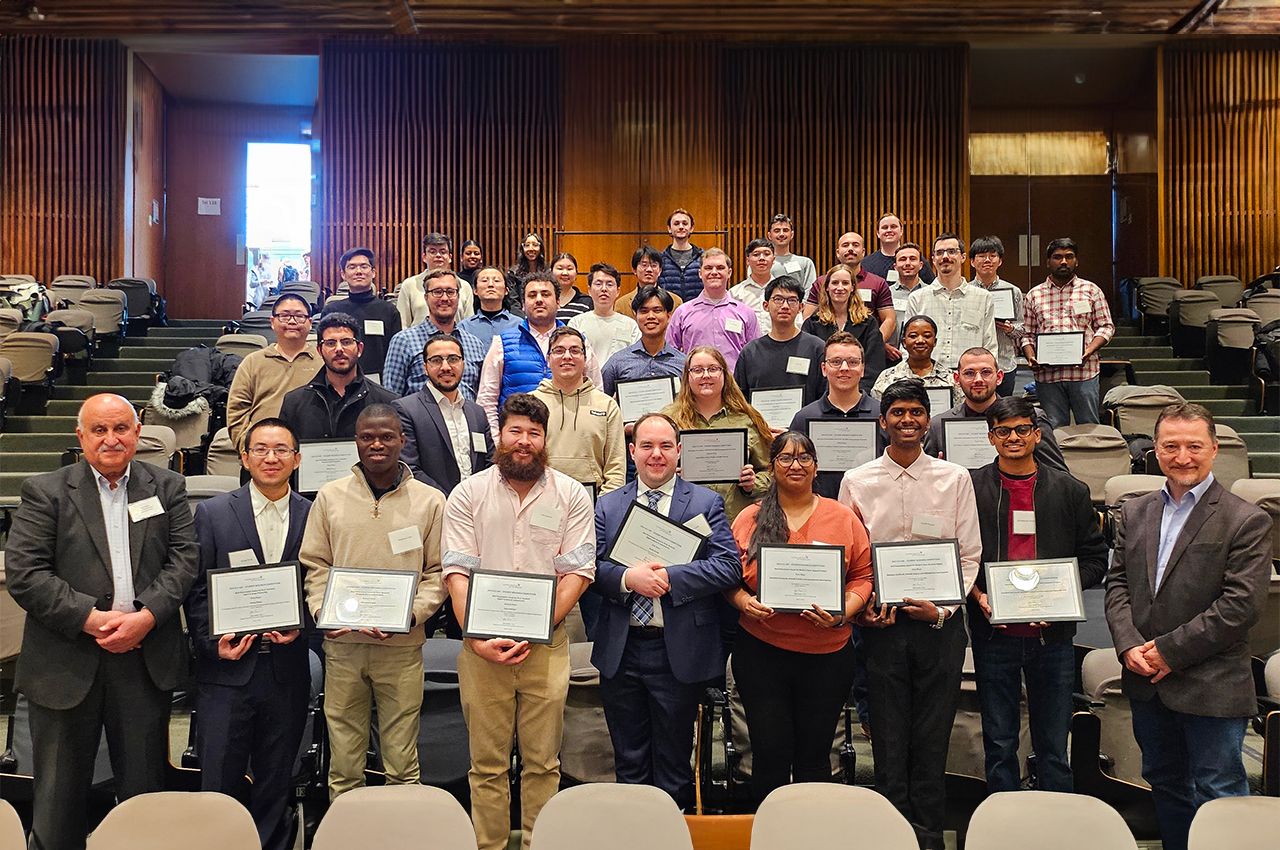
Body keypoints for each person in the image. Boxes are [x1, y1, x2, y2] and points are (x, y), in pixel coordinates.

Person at [5, 393, 199, 850]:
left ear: (137, 433)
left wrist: (146, 616)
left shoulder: (167, 487)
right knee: (58, 798)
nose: (111, 439)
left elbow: (184, 561)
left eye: (121, 429)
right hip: (65, 666)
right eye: (99, 430)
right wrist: (92, 620)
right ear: (81, 436)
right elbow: (26, 574)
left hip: (142, 660)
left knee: (143, 793)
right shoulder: (46, 490)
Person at [1104, 402, 1272, 850]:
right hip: (1146, 681)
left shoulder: (1246, 519)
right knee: (1165, 784)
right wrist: (1127, 647)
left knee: (1218, 793)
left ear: (1215, 449)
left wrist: (1166, 652)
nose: (1182, 457)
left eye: (1194, 446)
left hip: (1211, 684)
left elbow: (1241, 606)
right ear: (1154, 451)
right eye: (1170, 446)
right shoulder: (1135, 512)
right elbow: (1117, 584)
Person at [442, 393, 596, 850]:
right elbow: (456, 571)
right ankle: (488, 845)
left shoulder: (570, 494)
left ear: (545, 439)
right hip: (480, 650)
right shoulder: (468, 493)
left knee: (543, 763)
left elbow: (578, 572)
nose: (524, 442)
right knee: (485, 765)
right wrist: (477, 637)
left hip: (546, 648)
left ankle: (537, 843)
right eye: (516, 432)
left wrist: (537, 627)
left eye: (533, 433)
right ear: (500, 435)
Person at [838, 378, 981, 850]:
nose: (906, 420)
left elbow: (968, 556)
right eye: (897, 412)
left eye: (915, 413)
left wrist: (939, 609)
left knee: (932, 732)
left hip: (939, 626)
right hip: (881, 625)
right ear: (883, 422)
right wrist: (863, 611)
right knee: (887, 732)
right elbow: (849, 558)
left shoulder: (955, 477)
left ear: (927, 421)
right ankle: (891, 834)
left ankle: (928, 836)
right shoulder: (857, 481)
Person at [590, 412, 740, 807]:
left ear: (679, 452)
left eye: (665, 446)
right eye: (647, 446)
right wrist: (627, 580)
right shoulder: (607, 506)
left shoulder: (705, 503)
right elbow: (592, 568)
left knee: (674, 763)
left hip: (678, 651)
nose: (656, 455)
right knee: (629, 761)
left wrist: (671, 578)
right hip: (622, 653)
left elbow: (727, 566)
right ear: (631, 451)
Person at [301, 404, 446, 799]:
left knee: (401, 761)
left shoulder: (430, 501)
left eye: (386, 436)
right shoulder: (330, 497)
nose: (376, 444)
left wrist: (410, 615)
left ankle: (402, 835)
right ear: (356, 442)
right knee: (344, 762)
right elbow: (315, 564)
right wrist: (322, 611)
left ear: (403, 440)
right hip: (342, 645)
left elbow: (437, 573)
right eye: (367, 437)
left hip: (400, 647)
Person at [183, 417, 312, 850]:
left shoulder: (314, 515)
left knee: (276, 781)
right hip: (226, 673)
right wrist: (211, 643)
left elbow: (318, 585)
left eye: (281, 450)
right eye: (260, 449)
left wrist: (302, 628)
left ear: (297, 459)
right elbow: (196, 589)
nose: (270, 458)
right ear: (244, 457)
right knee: (218, 778)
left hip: (286, 672)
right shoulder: (214, 513)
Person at [967, 397, 1107, 794]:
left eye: (1021, 430)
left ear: (1037, 434)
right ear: (991, 437)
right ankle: (1002, 818)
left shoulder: (1070, 490)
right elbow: (960, 556)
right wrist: (978, 595)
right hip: (994, 634)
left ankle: (1055, 821)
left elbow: (1095, 559)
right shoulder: (970, 487)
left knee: (1053, 744)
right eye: (1003, 431)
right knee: (999, 741)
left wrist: (1060, 596)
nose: (1013, 438)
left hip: (1053, 638)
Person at [728, 430, 873, 805]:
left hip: (827, 656)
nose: (796, 465)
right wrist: (744, 602)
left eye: (804, 458)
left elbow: (863, 576)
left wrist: (843, 613)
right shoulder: (750, 517)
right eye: (786, 458)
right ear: (772, 467)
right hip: (761, 653)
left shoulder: (842, 517)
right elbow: (726, 577)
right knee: (770, 756)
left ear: (816, 466)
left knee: (814, 759)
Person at [476, 271, 603, 435]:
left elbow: (597, 392)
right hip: (519, 443)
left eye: (545, 294)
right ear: (522, 304)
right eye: (532, 295)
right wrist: (497, 441)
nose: (539, 300)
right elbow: (487, 399)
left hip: (569, 438)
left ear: (558, 302)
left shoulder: (578, 342)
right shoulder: (502, 343)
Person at [663, 346, 772, 522]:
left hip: (734, 523)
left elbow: (771, 471)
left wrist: (753, 483)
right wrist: (667, 478)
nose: (705, 375)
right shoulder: (668, 420)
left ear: (724, 374)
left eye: (713, 369)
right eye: (697, 370)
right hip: (682, 523)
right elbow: (644, 472)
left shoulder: (747, 419)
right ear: (687, 376)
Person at [1020, 238, 1115, 428]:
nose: (1063, 261)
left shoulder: (1091, 290)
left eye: (1069, 257)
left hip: (1084, 373)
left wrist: (1089, 350)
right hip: (1048, 375)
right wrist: (1030, 356)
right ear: (1048, 262)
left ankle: (1091, 459)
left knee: (1089, 426)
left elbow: (1106, 326)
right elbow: (1026, 333)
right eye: (1057, 257)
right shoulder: (1034, 295)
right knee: (1054, 428)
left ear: (1076, 261)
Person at [923, 347, 1066, 472]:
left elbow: (1057, 473)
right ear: (957, 379)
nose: (978, 379)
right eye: (969, 373)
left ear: (999, 377)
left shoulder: (1032, 417)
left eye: (986, 372)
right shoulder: (937, 426)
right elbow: (927, 479)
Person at [394, 333, 494, 493]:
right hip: (434, 507)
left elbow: (490, 463)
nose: (446, 367)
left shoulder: (477, 412)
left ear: (463, 364)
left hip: (478, 504)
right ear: (425, 368)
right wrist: (451, 502)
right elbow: (409, 468)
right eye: (436, 360)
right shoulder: (406, 409)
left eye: (453, 359)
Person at [532, 326, 625, 492]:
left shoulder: (606, 406)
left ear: (585, 358)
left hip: (594, 503)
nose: (567, 356)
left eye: (575, 351)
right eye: (559, 350)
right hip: (541, 498)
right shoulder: (532, 403)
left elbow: (616, 469)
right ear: (548, 358)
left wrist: (603, 508)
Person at [789, 332, 882, 499]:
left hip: (873, 511)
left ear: (862, 369)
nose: (844, 368)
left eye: (853, 362)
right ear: (824, 369)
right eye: (836, 362)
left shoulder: (882, 416)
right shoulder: (804, 418)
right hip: (819, 512)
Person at [279, 312, 397, 441]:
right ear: (319, 350)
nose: (339, 349)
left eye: (346, 342)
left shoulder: (387, 401)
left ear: (360, 349)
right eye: (330, 343)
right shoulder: (294, 403)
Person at [226, 293, 320, 446]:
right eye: (284, 316)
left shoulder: (323, 361)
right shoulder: (253, 362)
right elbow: (237, 412)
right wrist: (249, 449)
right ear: (272, 322)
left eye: (299, 316)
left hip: (311, 453)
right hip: (262, 455)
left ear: (310, 322)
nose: (292, 321)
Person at [382, 268, 487, 399]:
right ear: (426, 297)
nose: (444, 298)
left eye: (450, 292)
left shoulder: (475, 344)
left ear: (458, 297)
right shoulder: (404, 341)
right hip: (420, 419)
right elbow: (390, 396)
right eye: (437, 292)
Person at [904, 233, 997, 372]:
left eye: (952, 251)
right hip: (927, 377)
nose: (945, 257)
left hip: (968, 379)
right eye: (940, 253)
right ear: (933, 259)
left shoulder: (983, 298)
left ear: (963, 257)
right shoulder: (917, 298)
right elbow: (907, 346)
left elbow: (990, 345)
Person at [733, 275, 827, 407]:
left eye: (792, 300)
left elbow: (824, 395)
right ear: (766, 305)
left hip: (802, 426)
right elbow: (740, 398)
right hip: (761, 426)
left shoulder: (817, 348)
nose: (785, 306)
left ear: (801, 307)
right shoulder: (750, 352)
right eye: (778, 299)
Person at [666, 248, 758, 371]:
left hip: (735, 385)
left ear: (729, 272)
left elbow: (755, 354)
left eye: (720, 268)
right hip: (695, 384)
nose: (714, 272)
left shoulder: (746, 313)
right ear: (700, 273)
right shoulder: (682, 312)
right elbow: (670, 353)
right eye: (708, 268)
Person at [801, 263, 888, 392]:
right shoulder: (812, 323)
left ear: (853, 287)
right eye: (835, 283)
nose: (840, 288)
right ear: (827, 288)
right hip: (822, 394)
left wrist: (857, 393)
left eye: (845, 283)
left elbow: (874, 364)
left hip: (859, 393)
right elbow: (809, 365)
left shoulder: (869, 323)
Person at [801, 233, 896, 350]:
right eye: (845, 245)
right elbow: (807, 317)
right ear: (837, 252)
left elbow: (889, 319)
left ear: (863, 252)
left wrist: (876, 344)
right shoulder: (821, 282)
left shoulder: (878, 283)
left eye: (855, 245)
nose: (850, 249)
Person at [319, 247, 402, 379]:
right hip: (340, 379)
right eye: (352, 267)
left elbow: (396, 355)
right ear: (343, 274)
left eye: (364, 266)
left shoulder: (389, 310)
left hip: (379, 382)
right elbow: (324, 350)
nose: (358, 271)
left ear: (373, 272)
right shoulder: (331, 310)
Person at [599, 285, 687, 397]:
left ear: (669, 316)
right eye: (644, 311)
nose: (651, 316)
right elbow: (602, 400)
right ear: (636, 316)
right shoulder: (617, 362)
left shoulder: (683, 363)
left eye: (657, 310)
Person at [968, 236, 1022, 397]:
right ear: (972, 261)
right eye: (981, 256)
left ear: (1000, 261)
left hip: (1004, 363)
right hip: (973, 366)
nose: (987, 260)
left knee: (1004, 414)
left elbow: (1022, 329)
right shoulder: (965, 292)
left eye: (993, 255)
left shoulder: (1013, 291)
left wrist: (1010, 329)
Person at [871, 314, 959, 406]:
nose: (920, 340)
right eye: (913, 336)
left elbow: (957, 414)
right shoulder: (887, 378)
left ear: (935, 342)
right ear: (904, 342)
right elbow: (879, 412)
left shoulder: (951, 379)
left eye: (927, 336)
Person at [398, 232, 475, 327]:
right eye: (432, 251)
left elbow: (469, 325)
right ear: (424, 257)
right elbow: (403, 323)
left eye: (443, 252)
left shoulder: (464, 286)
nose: (438, 255)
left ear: (450, 257)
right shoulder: (409, 285)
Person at [570, 262, 641, 365]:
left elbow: (636, 360)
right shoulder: (576, 323)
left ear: (618, 291)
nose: (604, 289)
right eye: (598, 284)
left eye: (609, 284)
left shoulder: (630, 325)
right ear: (589, 290)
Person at [459, 265, 522, 350]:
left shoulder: (519, 325)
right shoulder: (464, 327)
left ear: (506, 291)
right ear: (475, 290)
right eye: (484, 280)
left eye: (496, 281)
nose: (491, 285)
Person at [862, 213, 935, 284]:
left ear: (901, 231)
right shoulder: (866, 263)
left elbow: (930, 288)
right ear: (878, 233)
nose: (889, 230)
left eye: (893, 226)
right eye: (885, 227)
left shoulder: (916, 261)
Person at [885, 242, 929, 362]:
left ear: (920, 265)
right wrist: (883, 346)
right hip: (892, 357)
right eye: (903, 259)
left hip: (923, 355)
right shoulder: (886, 294)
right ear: (895, 266)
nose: (908, 263)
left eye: (912, 259)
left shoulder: (930, 293)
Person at [730, 238, 781, 335]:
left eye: (766, 254)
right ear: (748, 260)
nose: (761, 258)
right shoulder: (735, 293)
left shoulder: (783, 291)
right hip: (747, 346)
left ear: (773, 259)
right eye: (756, 254)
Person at [658, 208, 704, 301]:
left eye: (685, 223)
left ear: (691, 228)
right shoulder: (660, 259)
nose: (681, 226)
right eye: (676, 223)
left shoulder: (703, 258)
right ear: (669, 229)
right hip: (670, 311)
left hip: (697, 311)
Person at [766, 213, 816, 296]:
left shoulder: (805, 263)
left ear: (791, 234)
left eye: (785, 230)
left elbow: (810, 291)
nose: (781, 234)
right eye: (777, 231)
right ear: (769, 235)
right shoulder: (762, 263)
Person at [505, 231, 547, 311]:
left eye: (535, 245)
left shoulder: (548, 272)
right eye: (527, 245)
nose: (531, 249)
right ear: (522, 249)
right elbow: (513, 301)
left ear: (541, 248)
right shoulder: (513, 273)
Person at [551, 251, 594, 323]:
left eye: (569, 269)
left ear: (576, 273)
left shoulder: (587, 302)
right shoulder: (544, 299)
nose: (565, 273)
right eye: (560, 268)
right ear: (551, 272)